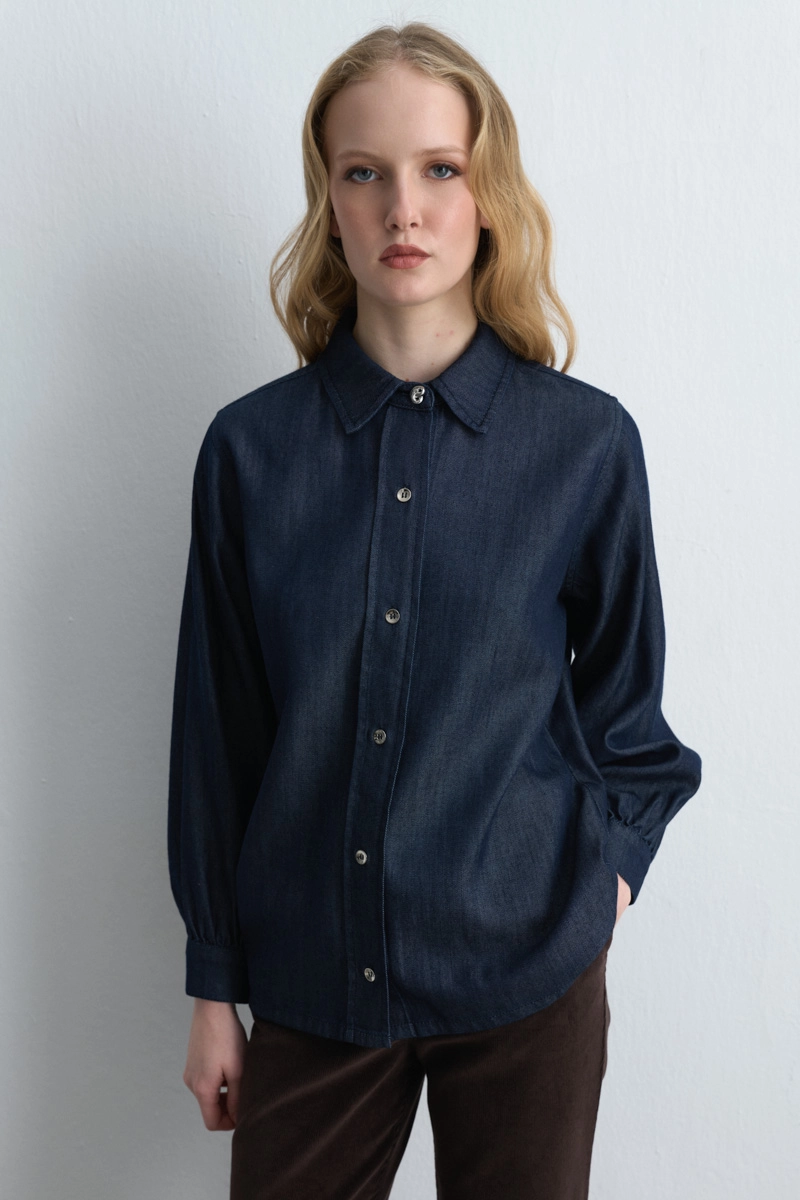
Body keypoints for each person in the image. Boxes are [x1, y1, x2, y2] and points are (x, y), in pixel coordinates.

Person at [167, 21, 702, 1200]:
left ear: (485, 192)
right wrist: (213, 987)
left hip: (525, 975)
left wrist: (600, 884)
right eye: (363, 172)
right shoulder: (250, 452)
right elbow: (219, 737)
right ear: (328, 201)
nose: (400, 209)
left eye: (438, 169)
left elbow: (627, 715)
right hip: (312, 972)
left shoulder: (582, 445)